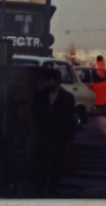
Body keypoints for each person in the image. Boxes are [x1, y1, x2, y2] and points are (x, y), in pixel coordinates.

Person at [31, 66, 76, 196]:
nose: (48, 82)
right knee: (41, 165)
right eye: (47, 80)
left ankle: (53, 188)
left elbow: (70, 120)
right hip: (43, 136)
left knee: (56, 165)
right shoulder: (40, 96)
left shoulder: (67, 98)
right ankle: (39, 190)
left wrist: (70, 139)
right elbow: (34, 114)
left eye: (51, 80)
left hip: (58, 137)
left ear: (57, 81)